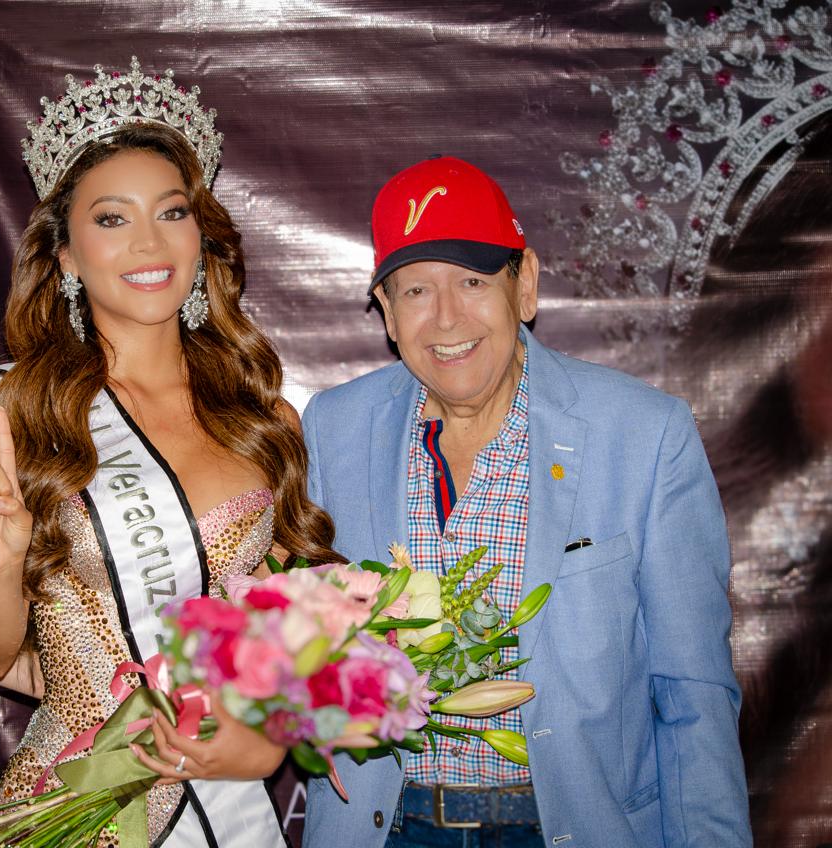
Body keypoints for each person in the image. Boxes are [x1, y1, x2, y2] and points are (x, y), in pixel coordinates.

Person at [300, 157, 751, 847]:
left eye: (473, 281)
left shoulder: (643, 433)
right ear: (387, 311)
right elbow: (302, 649)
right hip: (384, 827)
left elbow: (693, 691)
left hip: (570, 827)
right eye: (416, 289)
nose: (446, 317)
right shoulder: (333, 429)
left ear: (527, 284)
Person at [0, 58, 339, 846]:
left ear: (200, 235)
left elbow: (287, 636)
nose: (148, 243)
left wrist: (269, 737)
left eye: (171, 212)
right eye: (111, 219)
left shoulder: (263, 418)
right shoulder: (24, 409)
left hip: (226, 805)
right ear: (65, 255)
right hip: (75, 805)